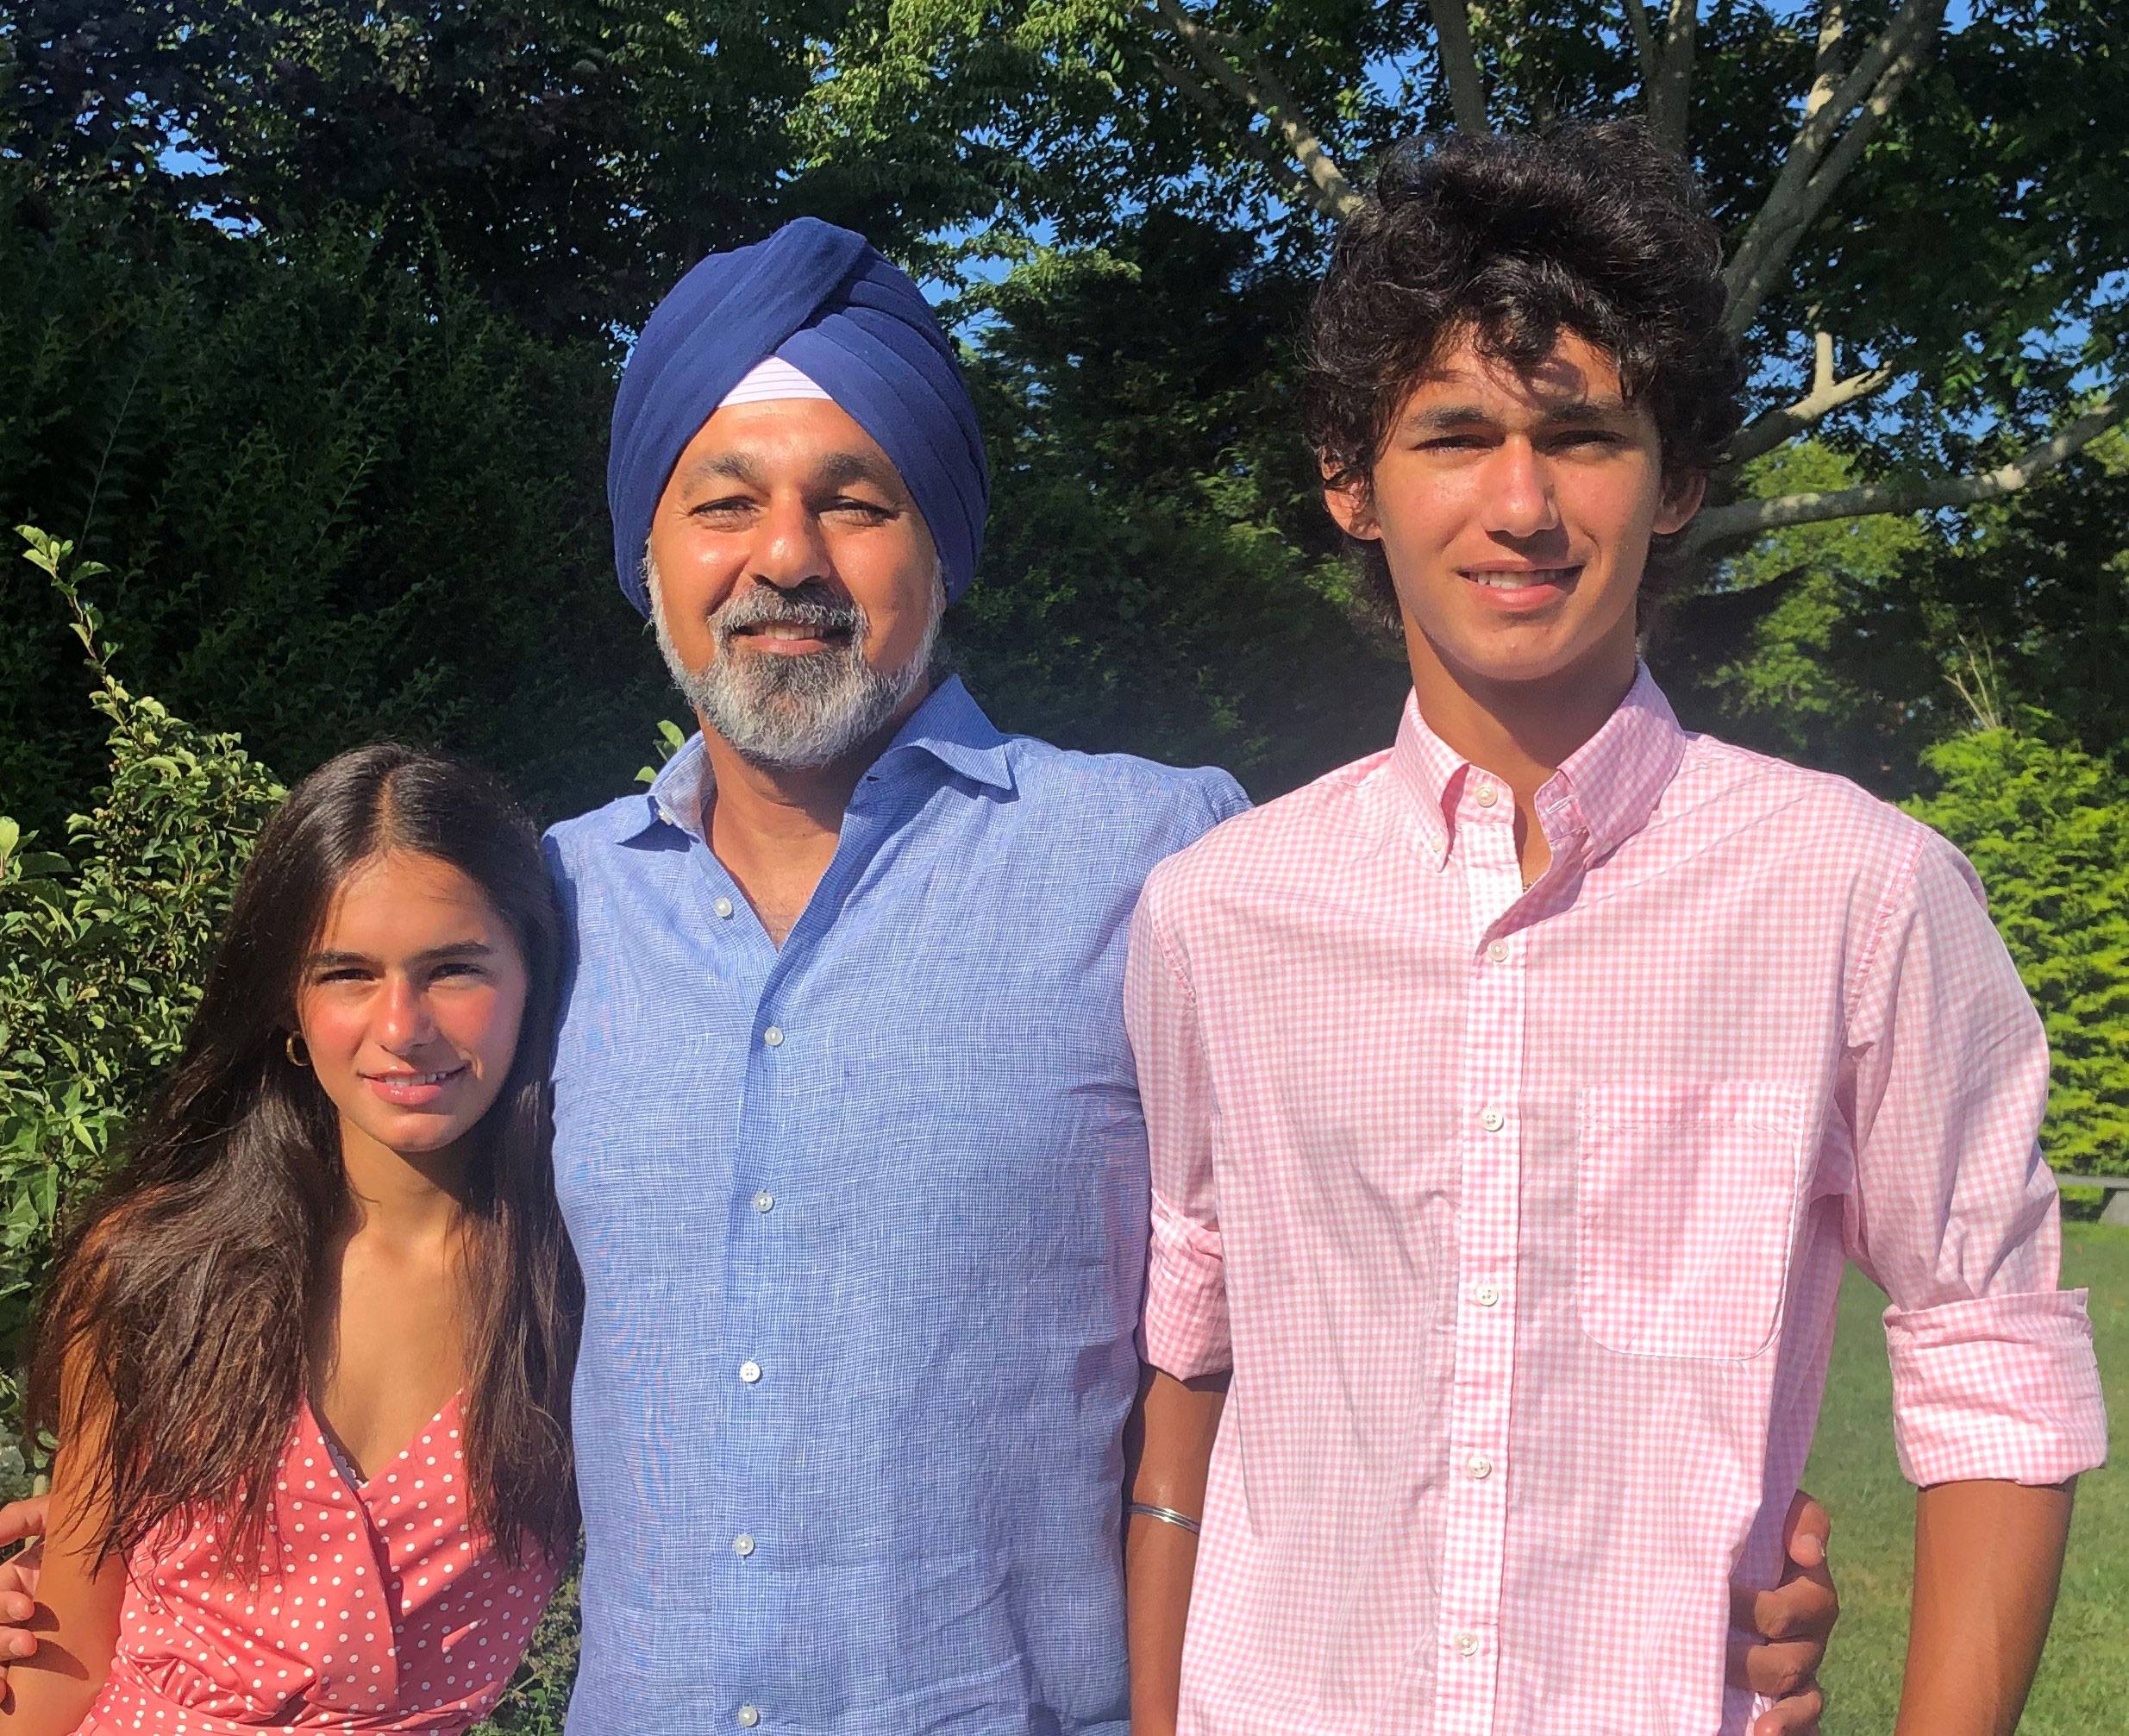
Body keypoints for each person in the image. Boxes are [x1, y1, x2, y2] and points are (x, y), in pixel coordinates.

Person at [1, 216, 1840, 1733]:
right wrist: (109, 1565)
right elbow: (338, 1245)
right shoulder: (543, 912)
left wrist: (1664, 1536)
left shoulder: (1158, 859)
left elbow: (1418, 1217)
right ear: (645, 550)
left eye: (855, 500)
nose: (782, 558)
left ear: (942, 544)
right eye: (722, 501)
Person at [1120, 122, 2108, 1736]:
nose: (1519, 503)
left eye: (1580, 435)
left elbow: (1985, 1353)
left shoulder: (1854, 893)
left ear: (1681, 477)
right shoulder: (1215, 918)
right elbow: (1194, 1357)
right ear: (1348, 481)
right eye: (1450, 434)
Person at [0, 746, 580, 1735]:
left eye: (453, 970)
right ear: (290, 1010)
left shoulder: (586, 1296)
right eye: (348, 973)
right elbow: (68, 1653)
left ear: (532, 980)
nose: (402, 1026)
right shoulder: (155, 1272)